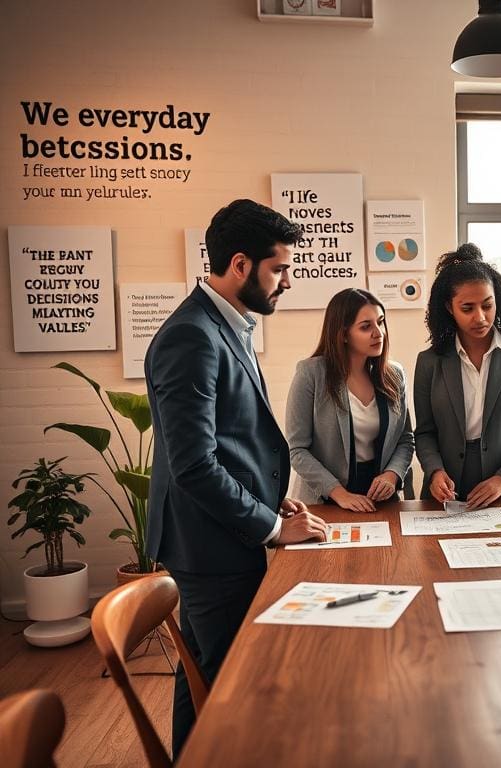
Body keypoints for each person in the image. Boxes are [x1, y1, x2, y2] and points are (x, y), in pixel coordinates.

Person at [145, 199, 329, 757]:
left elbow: (233, 442)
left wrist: (277, 508)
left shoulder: (226, 324)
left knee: (201, 677)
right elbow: (195, 464)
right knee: (235, 691)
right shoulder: (192, 336)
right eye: (280, 269)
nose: (288, 281)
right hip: (209, 548)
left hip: (222, 537)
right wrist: (271, 526)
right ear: (242, 265)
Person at [414, 243, 501, 508]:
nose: (480, 317)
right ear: (449, 307)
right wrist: (435, 472)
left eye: (487, 305)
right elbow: (425, 432)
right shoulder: (430, 362)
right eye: (467, 308)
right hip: (446, 493)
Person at [286, 288, 414, 510]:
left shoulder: (394, 374)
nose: (379, 333)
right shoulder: (310, 373)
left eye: (380, 322)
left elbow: (405, 438)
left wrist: (392, 475)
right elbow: (297, 450)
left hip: (381, 499)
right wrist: (340, 494)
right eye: (366, 327)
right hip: (325, 499)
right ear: (343, 334)